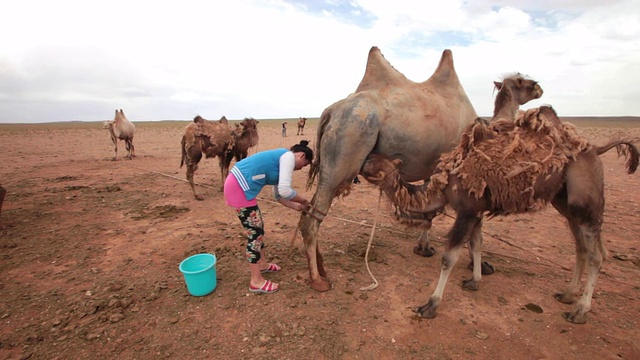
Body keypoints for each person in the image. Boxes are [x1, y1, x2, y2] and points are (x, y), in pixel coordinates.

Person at [223, 140, 313, 294]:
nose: (300, 169)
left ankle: (263, 265)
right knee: (255, 235)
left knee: (258, 229)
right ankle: (256, 281)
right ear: (301, 155)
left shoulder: (280, 160)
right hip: (239, 189)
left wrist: (297, 206)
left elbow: (278, 195)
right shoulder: (288, 157)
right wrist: (304, 200)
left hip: (241, 188)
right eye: (304, 165)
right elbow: (285, 191)